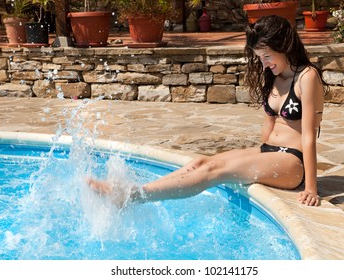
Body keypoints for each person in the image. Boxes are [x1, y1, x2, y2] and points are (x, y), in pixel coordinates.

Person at [87, 15, 327, 207]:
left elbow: (308, 136)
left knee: (215, 170)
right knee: (201, 161)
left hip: (292, 162)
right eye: (259, 58)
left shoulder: (307, 76)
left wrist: (311, 189)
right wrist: (253, 158)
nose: (264, 63)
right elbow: (268, 132)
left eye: (267, 56)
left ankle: (134, 196)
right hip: (269, 151)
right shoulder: (273, 76)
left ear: (283, 45)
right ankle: (137, 193)